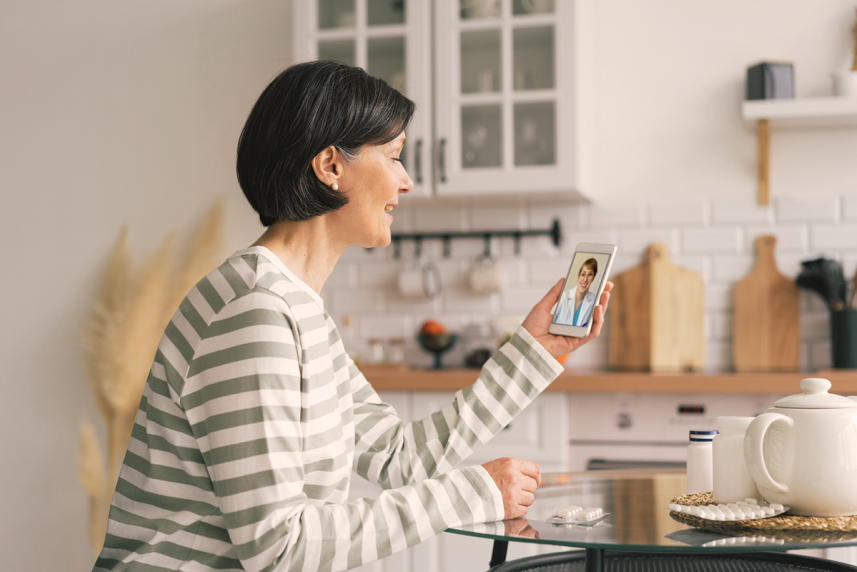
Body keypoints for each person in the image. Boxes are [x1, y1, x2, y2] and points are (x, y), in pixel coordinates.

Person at [93, 61, 612, 572]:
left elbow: (398, 457)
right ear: (331, 167)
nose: (406, 182)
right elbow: (280, 551)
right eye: (393, 157)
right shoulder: (253, 312)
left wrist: (536, 350)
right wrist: (475, 492)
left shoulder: (295, 307)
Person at [553, 258, 598, 327]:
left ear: (593, 278)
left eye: (590, 274)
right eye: (583, 274)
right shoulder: (563, 297)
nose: (585, 279)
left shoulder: (595, 301)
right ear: (578, 277)